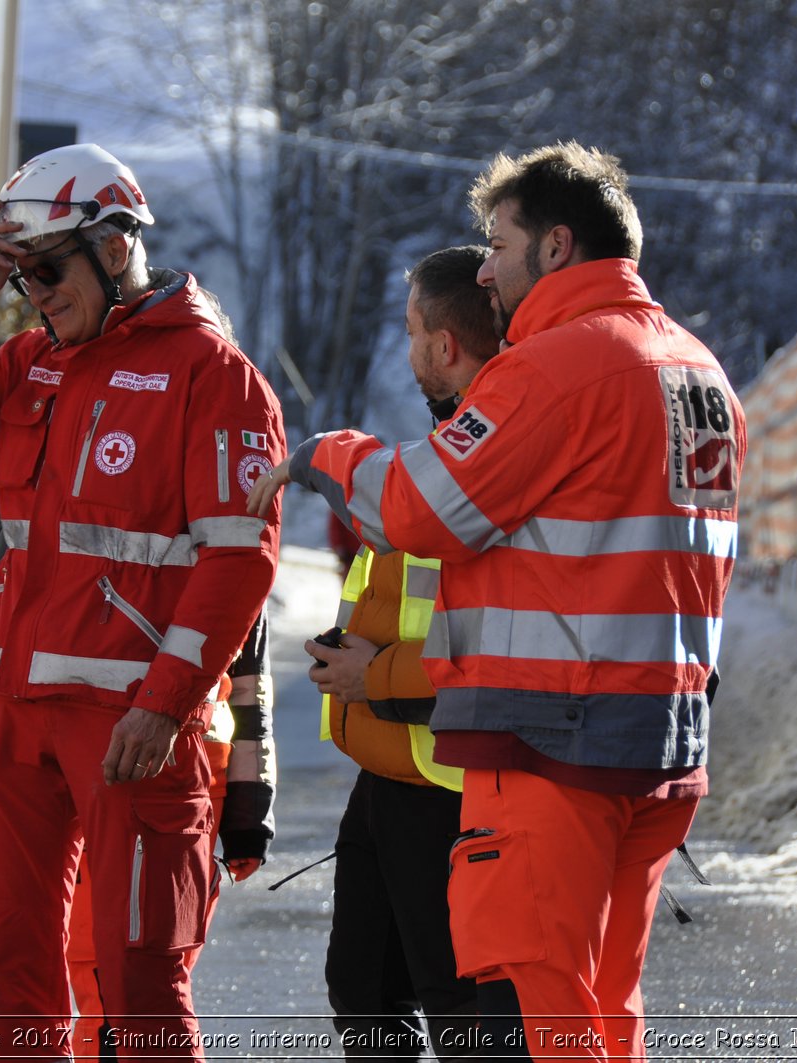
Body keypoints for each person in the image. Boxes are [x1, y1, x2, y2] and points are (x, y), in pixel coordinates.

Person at [249, 143, 745, 1061]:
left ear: (556, 246)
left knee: (536, 1005)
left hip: (555, 743)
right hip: (660, 738)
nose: (485, 266)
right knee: (603, 1005)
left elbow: (421, 506)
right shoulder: (699, 372)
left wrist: (325, 454)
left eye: (498, 241)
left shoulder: (559, 363)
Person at [0, 143, 285, 1060]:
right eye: (22, 272)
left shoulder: (214, 375)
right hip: (14, 716)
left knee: (141, 979)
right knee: (7, 959)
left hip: (134, 726)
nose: (37, 290)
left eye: (48, 267)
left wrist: (167, 702)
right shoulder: (31, 360)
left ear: (113, 248)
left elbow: (239, 565)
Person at [301, 247, 498, 1061]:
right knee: (363, 988)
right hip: (391, 771)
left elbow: (500, 641)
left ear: (444, 346)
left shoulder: (493, 459)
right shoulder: (446, 450)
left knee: (465, 1012)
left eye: (413, 330)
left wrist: (371, 674)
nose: (408, 347)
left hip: (452, 785)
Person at [64, 612, 275, 1060]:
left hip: (193, 784)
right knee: (108, 973)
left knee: (152, 970)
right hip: (103, 772)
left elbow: (250, 689)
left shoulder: (228, 557)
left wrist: (250, 811)